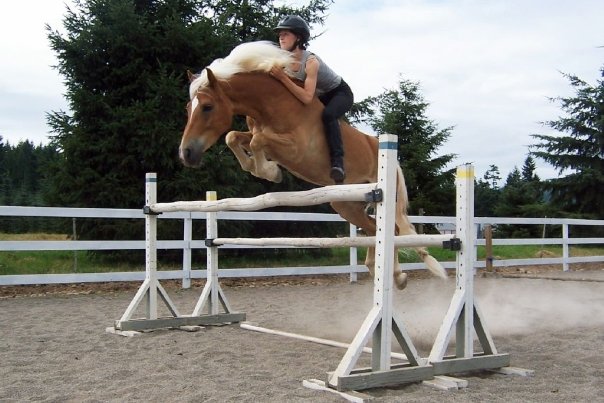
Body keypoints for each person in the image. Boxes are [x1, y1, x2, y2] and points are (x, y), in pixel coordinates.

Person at [270, 15, 353, 184]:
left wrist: (283, 78)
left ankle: (338, 163)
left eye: (286, 34)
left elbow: (307, 97)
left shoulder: (310, 61)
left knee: (328, 115)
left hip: (339, 93)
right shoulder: (281, 60)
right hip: (319, 95)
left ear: (298, 38)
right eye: (280, 34)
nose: (281, 37)